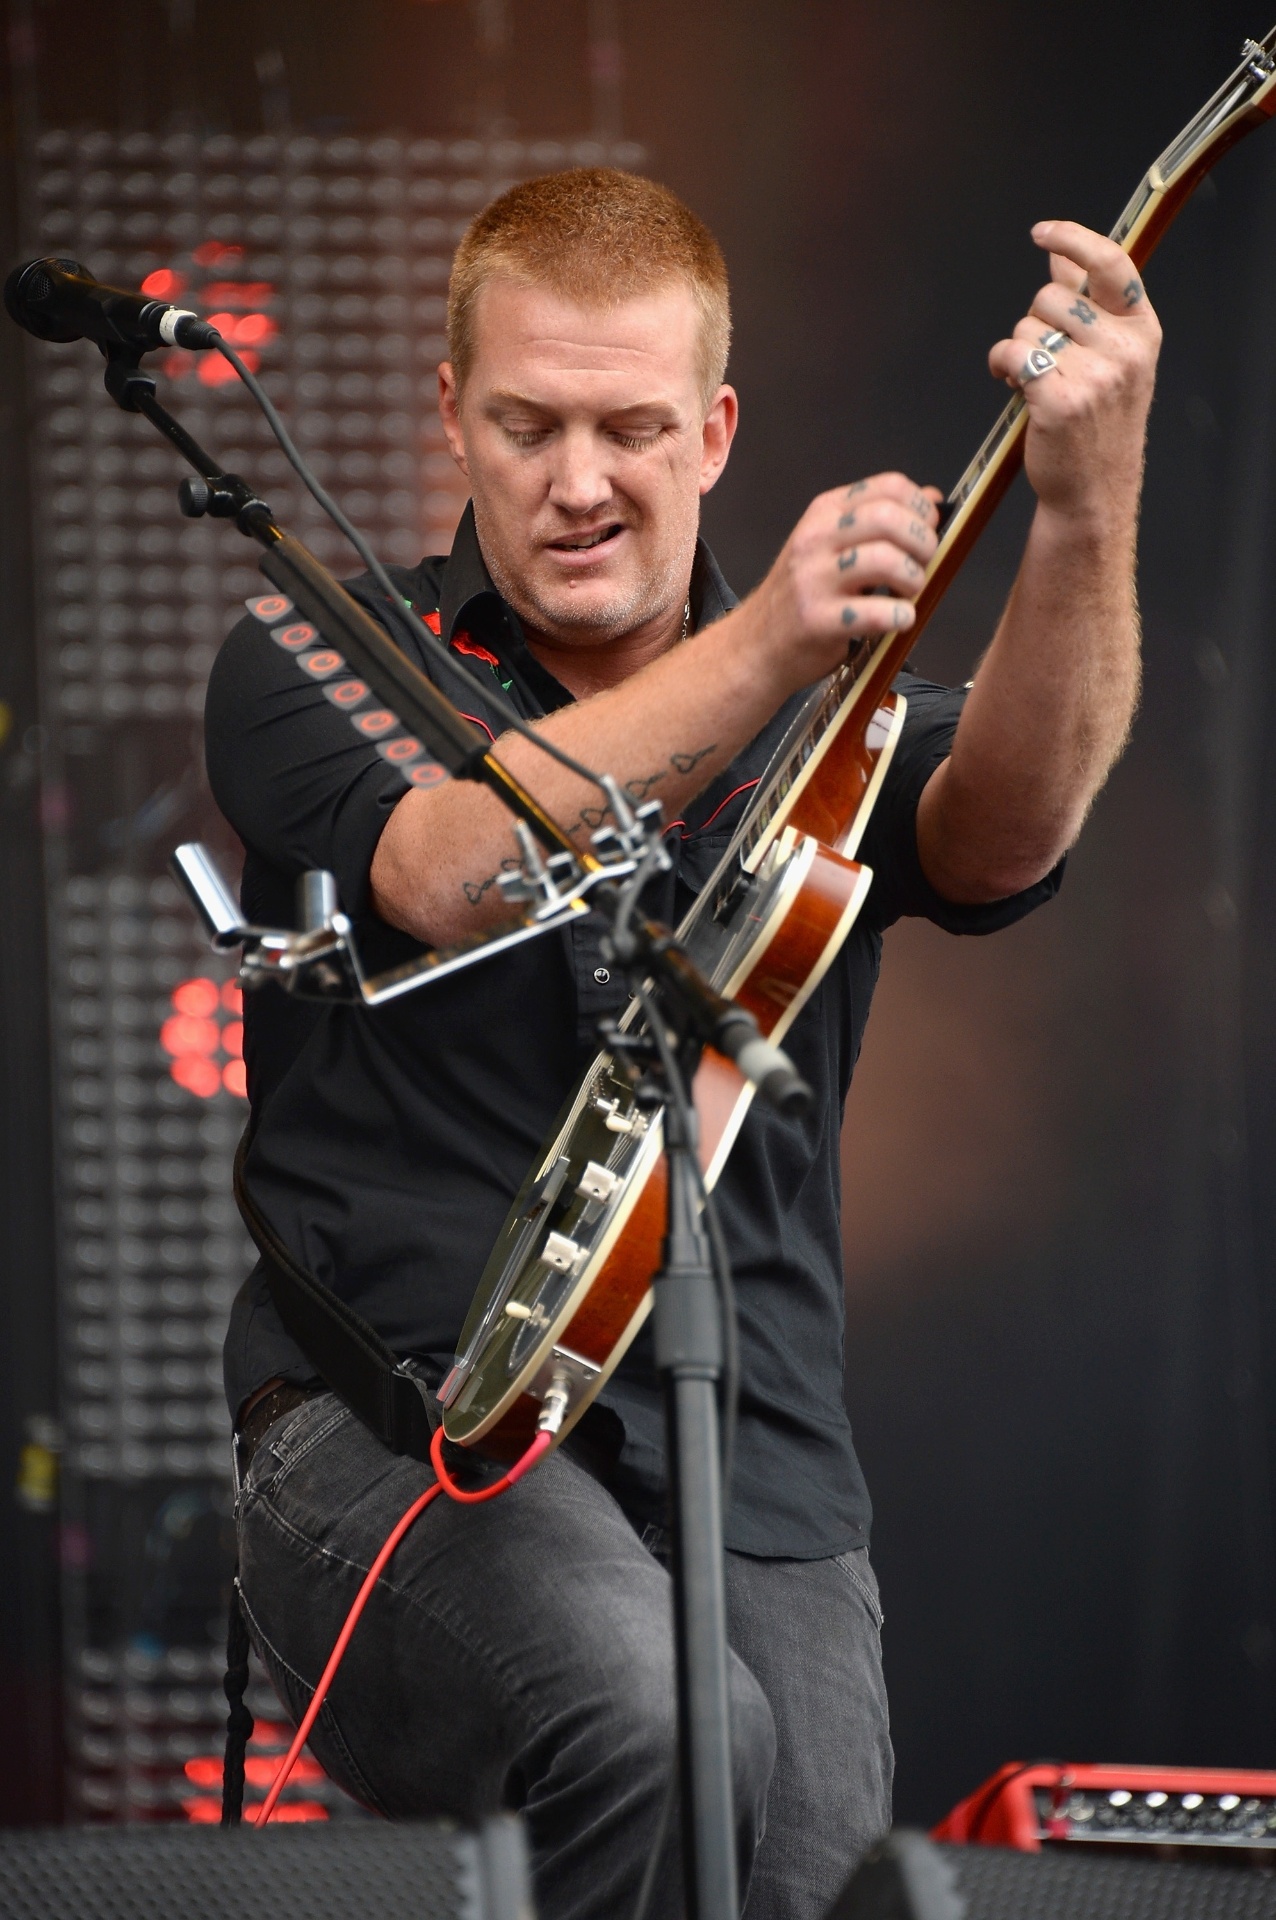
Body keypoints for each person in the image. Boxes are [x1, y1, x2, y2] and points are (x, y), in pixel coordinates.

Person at [205, 168, 1157, 1919]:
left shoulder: (836, 720)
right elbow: (442, 865)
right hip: (397, 1430)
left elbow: (1005, 832)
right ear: (450, 420)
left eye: (633, 427)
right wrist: (764, 642)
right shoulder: (310, 647)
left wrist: (1086, 513)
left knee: (800, 1856)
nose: (581, 483)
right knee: (657, 1718)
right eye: (529, 424)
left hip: (764, 1459)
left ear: (716, 430)